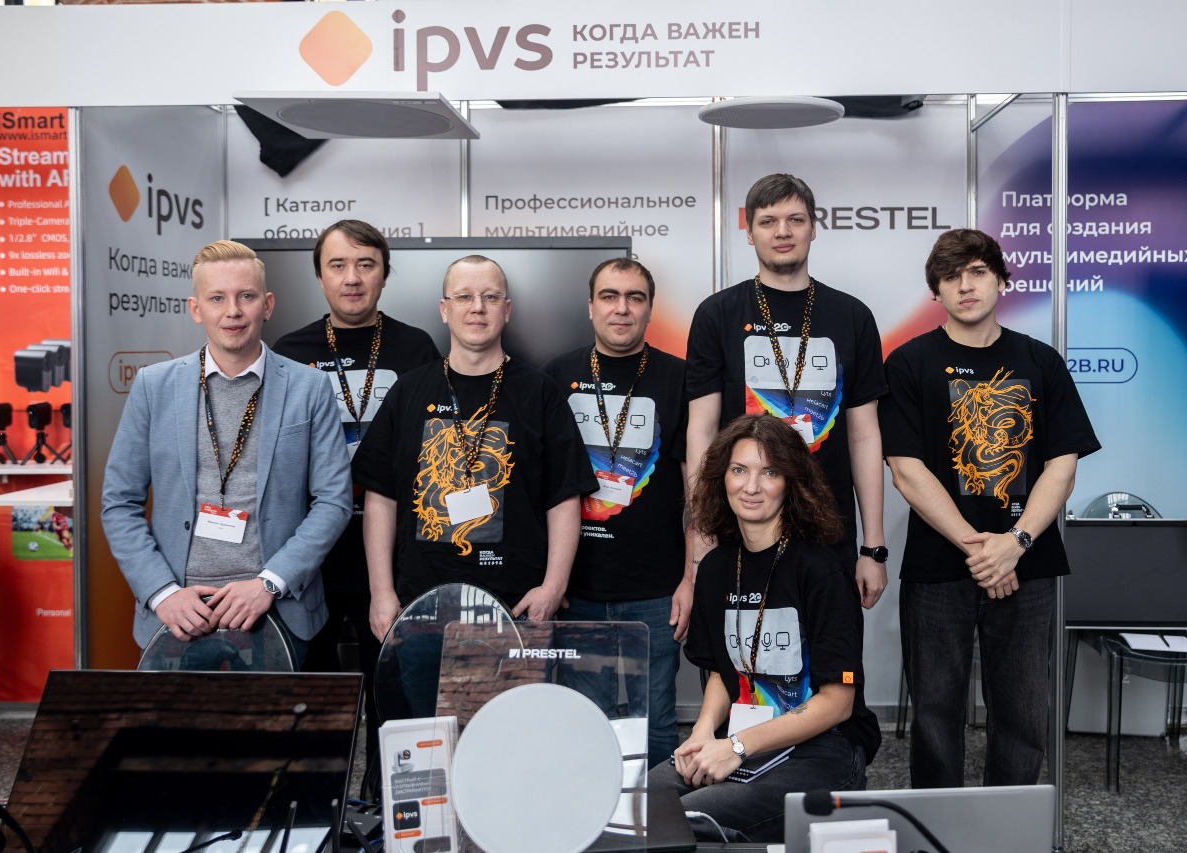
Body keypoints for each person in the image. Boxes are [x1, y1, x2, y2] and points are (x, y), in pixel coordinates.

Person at [880, 228, 1100, 787]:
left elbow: (1063, 466)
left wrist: (1015, 544)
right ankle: (938, 827)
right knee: (935, 716)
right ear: (935, 290)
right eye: (951, 276)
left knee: (1023, 716)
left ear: (1002, 280)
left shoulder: (1041, 361)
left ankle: (1010, 826)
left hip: (1029, 565)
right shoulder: (908, 363)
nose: (965, 286)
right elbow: (906, 470)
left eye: (978, 272)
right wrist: (984, 552)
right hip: (939, 568)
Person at [102, 240, 352, 662]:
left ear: (267, 305)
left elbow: (333, 501)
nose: (232, 311)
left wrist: (270, 582)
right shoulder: (153, 387)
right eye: (217, 298)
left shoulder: (309, 388)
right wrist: (162, 593)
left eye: (246, 296)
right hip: (179, 613)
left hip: (275, 608)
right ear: (196, 308)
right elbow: (118, 504)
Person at [649, 414, 879, 843]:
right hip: (743, 736)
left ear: (791, 483)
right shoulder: (716, 568)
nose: (751, 486)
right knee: (644, 801)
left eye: (769, 472)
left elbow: (838, 703)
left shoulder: (821, 570)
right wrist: (702, 733)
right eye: (739, 470)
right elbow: (723, 672)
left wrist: (736, 747)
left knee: (692, 817)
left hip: (823, 748)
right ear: (722, 478)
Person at [353, 255, 596, 640]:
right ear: (444, 310)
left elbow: (564, 497)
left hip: (516, 608)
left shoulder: (539, 393)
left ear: (507, 310)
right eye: (464, 296)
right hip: (419, 607)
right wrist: (381, 592)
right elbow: (380, 497)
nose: (478, 307)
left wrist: (553, 587)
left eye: (490, 297)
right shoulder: (408, 391)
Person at [273, 220, 439, 782]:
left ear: (384, 276)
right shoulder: (289, 352)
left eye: (366, 265)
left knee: (391, 687)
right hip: (310, 552)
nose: (352, 278)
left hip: (390, 551)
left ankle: (387, 800)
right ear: (319, 276)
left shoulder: (416, 347)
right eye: (338, 265)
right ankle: (315, 801)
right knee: (314, 693)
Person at [685, 173, 889, 609]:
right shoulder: (717, 315)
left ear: (814, 228)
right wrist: (702, 537)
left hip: (828, 533)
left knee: (831, 650)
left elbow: (865, 435)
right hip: (737, 531)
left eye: (795, 219)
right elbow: (701, 431)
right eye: (768, 221)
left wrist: (873, 547)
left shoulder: (852, 316)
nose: (783, 231)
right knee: (739, 651)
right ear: (749, 232)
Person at [542, 257, 691, 766]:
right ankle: (599, 814)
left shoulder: (679, 378)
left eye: (634, 298)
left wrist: (691, 577)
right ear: (590, 307)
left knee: (658, 725)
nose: (621, 308)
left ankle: (663, 815)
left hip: (657, 590)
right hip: (578, 590)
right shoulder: (556, 375)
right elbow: (541, 485)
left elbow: (697, 489)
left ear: (649, 309)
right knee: (588, 724)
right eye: (609, 296)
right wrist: (550, 580)